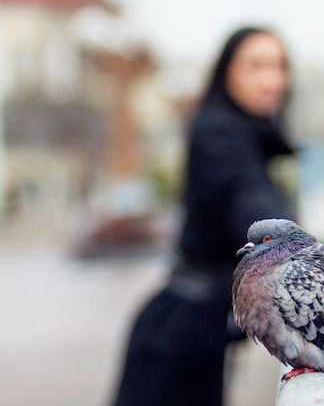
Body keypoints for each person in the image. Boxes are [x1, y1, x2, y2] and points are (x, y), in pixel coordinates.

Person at [112, 26, 296, 406]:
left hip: (199, 328)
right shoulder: (219, 131)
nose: (271, 79)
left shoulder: (248, 133)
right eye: (255, 65)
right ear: (226, 72)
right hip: (178, 336)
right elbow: (247, 199)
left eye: (279, 66)